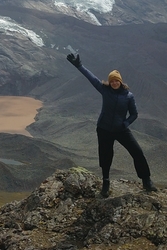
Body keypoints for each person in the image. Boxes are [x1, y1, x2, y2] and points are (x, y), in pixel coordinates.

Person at [66, 53, 156, 197]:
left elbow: (134, 114)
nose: (114, 83)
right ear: (110, 82)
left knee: (137, 152)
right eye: (112, 81)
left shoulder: (128, 96)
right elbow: (92, 78)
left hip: (121, 129)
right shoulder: (105, 90)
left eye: (116, 81)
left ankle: (146, 180)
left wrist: (125, 123)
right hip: (104, 129)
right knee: (106, 156)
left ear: (120, 82)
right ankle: (106, 182)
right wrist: (79, 66)